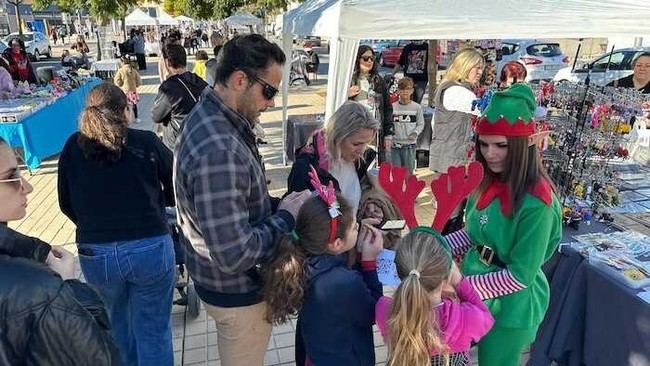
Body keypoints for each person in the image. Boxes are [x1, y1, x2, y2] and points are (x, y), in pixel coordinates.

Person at [174, 34, 311, 366]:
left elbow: (234, 207)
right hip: (236, 293)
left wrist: (273, 205)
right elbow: (235, 253)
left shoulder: (214, 117)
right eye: (269, 91)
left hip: (219, 283)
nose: (271, 103)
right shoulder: (220, 147)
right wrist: (286, 217)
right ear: (239, 80)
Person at [57, 82, 176, 366]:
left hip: (96, 253)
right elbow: (175, 187)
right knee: (154, 332)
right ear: (125, 111)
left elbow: (65, 202)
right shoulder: (146, 142)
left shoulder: (73, 147)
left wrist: (90, 226)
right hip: (149, 246)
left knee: (115, 328)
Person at [445, 83, 562, 366]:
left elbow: (520, 275)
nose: (490, 154)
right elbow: (472, 235)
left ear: (523, 146)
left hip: (512, 306)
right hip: (475, 292)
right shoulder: (486, 182)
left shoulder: (538, 203)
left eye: (501, 145)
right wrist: (431, 246)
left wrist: (459, 285)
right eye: (483, 144)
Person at [0, 137, 121, 365]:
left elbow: (66, 201)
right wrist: (69, 286)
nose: (28, 186)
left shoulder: (72, 146)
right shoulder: (37, 287)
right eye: (11, 177)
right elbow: (100, 357)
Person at [263, 191, 384, 365]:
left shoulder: (301, 260)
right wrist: (369, 262)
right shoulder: (344, 283)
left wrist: (354, 248)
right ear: (336, 243)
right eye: (354, 227)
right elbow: (374, 313)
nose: (358, 226)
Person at [375, 229, 494, 366]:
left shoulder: (384, 310)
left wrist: (369, 264)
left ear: (396, 272)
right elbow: (486, 317)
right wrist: (460, 282)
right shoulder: (466, 318)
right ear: (446, 276)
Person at [288, 101, 380, 214]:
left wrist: (368, 204)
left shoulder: (358, 161)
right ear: (337, 137)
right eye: (356, 144)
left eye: (366, 143)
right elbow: (303, 221)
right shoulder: (306, 167)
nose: (361, 151)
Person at [429, 48, 484, 234]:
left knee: (452, 214)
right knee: (449, 216)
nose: (480, 71)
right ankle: (438, 256)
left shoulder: (453, 88)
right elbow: (484, 111)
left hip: (451, 158)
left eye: (481, 67)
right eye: (476, 67)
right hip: (451, 161)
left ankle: (442, 254)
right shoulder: (457, 91)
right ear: (465, 66)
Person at [152, 44, 208, 151]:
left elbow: (156, 116)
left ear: (167, 62)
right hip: (201, 138)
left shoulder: (169, 87)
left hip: (178, 144)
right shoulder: (199, 81)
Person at [349, 45, 393, 162]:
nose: (369, 61)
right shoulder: (349, 80)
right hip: (355, 132)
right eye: (365, 58)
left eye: (372, 58)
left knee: (374, 166)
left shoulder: (379, 80)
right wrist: (346, 95)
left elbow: (388, 108)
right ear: (357, 59)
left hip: (375, 132)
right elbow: (339, 108)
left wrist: (388, 134)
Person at [390, 76, 425, 174]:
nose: (405, 92)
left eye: (408, 89)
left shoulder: (417, 107)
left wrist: (415, 133)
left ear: (412, 90)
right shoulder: (393, 107)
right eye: (402, 89)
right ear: (398, 91)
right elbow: (389, 124)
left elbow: (420, 124)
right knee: (396, 173)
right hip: (395, 146)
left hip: (410, 146)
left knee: (408, 174)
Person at [114, 56, 142, 123]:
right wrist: (136, 85)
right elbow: (139, 81)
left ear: (122, 63)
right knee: (134, 105)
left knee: (125, 105)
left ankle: (126, 118)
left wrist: (120, 84)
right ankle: (136, 118)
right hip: (133, 91)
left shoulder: (120, 70)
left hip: (125, 91)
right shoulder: (133, 70)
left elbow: (117, 80)